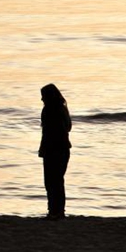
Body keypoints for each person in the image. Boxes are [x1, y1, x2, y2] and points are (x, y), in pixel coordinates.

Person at [39, 83, 72, 220]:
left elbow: (47, 133)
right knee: (57, 181)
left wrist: (43, 149)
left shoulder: (48, 110)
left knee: (51, 181)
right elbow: (68, 127)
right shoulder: (62, 109)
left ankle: (54, 210)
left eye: (43, 96)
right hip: (63, 148)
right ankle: (58, 211)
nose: (41, 99)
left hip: (53, 149)